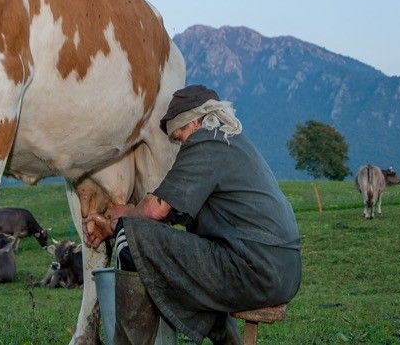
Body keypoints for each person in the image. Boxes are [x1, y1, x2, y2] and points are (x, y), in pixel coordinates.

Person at [85, 85, 302, 345]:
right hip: (280, 270)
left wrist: (123, 217)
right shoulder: (234, 142)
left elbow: (157, 209)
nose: (181, 144)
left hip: (255, 269)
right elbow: (174, 212)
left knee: (130, 239)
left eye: (181, 135)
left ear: (197, 121)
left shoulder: (207, 140)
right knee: (194, 258)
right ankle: (227, 339)